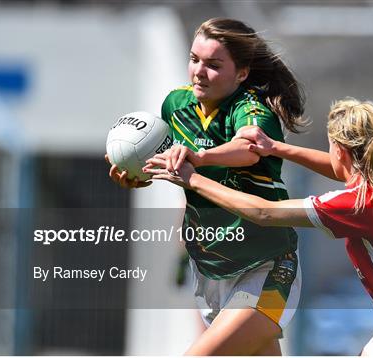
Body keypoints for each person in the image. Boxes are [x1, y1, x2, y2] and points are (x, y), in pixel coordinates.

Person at [145, 98, 373, 356]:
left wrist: (193, 179)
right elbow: (341, 169)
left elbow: (264, 213)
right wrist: (276, 148)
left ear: (340, 150)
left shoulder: (358, 205)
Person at [108, 18, 305, 355]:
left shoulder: (253, 111)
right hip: (211, 272)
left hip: (267, 269)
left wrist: (200, 157)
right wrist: (138, 176)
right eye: (194, 59)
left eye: (214, 65)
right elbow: (169, 165)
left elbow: (248, 149)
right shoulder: (175, 106)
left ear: (241, 73)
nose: (199, 71)